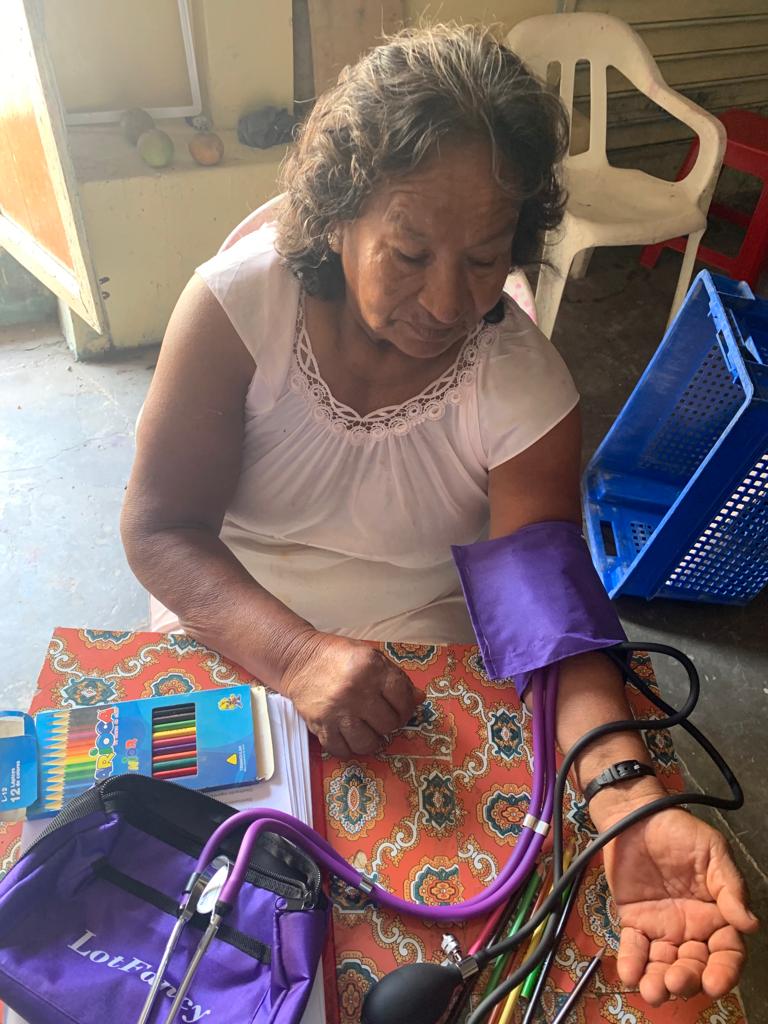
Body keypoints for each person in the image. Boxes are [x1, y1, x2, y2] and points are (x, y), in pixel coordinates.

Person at [121, 23, 757, 1010]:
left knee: (464, 927)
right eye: (410, 253)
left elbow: (545, 626)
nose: (448, 300)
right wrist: (297, 656)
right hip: (235, 625)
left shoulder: (519, 385)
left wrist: (627, 796)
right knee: (184, 934)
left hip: (420, 673)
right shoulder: (239, 311)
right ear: (338, 215)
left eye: (485, 257)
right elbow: (161, 529)